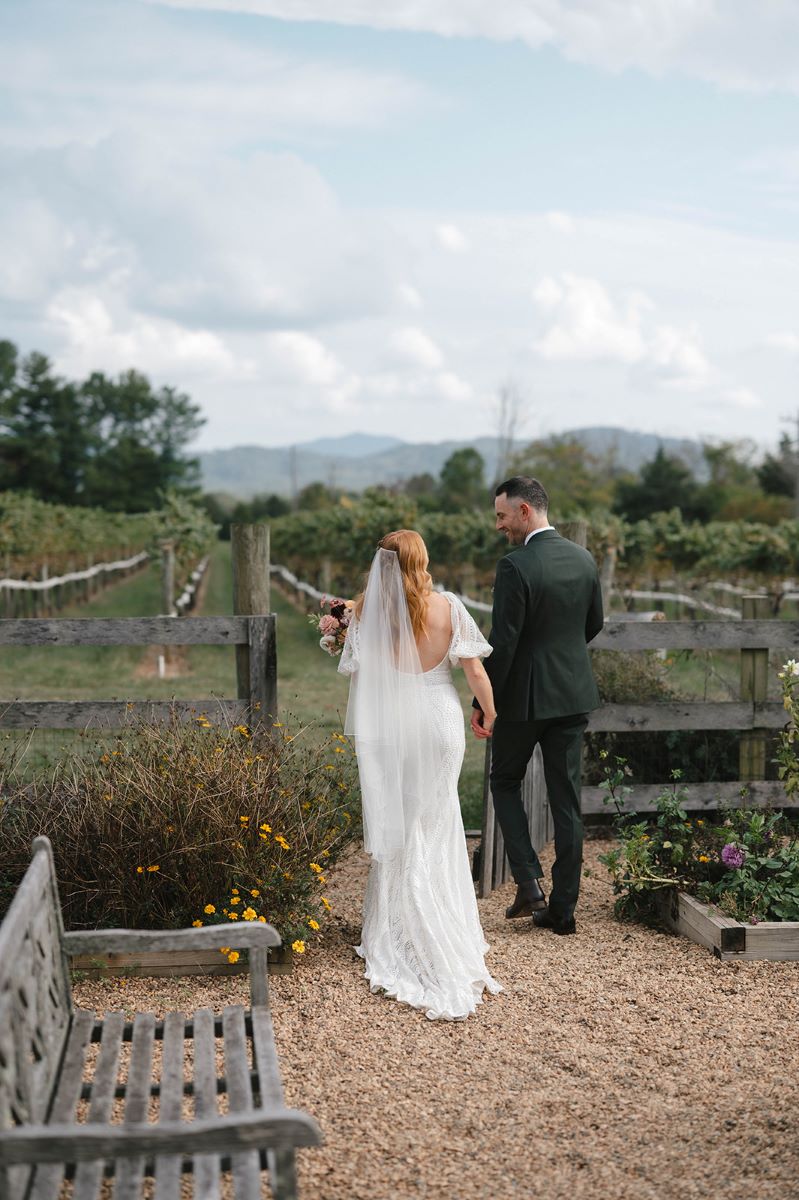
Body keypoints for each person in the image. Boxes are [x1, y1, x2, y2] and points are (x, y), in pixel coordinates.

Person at [338, 529, 502, 1020]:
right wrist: (490, 713)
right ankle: (443, 919)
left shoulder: (368, 610)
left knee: (402, 817)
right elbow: (472, 670)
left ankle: (397, 925)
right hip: (438, 720)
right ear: (422, 559)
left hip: (394, 724)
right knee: (436, 815)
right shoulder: (448, 605)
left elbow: (358, 670)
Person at [471, 477, 604, 936]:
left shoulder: (516, 566)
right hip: (572, 696)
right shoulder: (585, 559)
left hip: (525, 700)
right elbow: (593, 624)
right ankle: (563, 912)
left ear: (525, 512)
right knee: (567, 800)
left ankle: (529, 883)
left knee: (504, 781)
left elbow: (503, 644)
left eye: (502, 516)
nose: (500, 526)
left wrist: (483, 701)